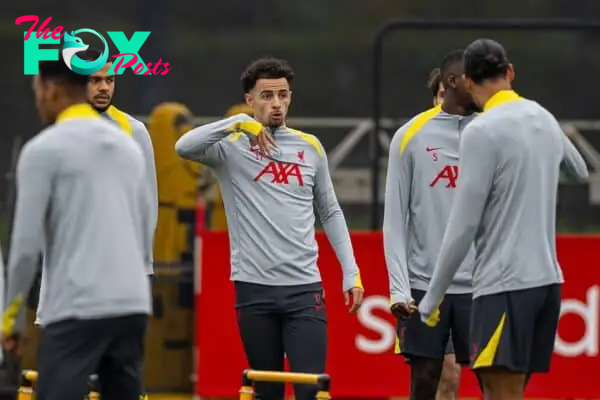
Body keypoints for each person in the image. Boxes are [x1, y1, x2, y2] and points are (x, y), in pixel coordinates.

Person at [175, 56, 364, 400]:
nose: (276, 104)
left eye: (283, 95)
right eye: (266, 96)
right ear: (250, 99)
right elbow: (183, 146)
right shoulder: (229, 149)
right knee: (268, 392)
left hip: (305, 290)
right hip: (254, 291)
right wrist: (236, 124)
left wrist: (351, 272)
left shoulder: (310, 147)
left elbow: (331, 212)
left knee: (311, 390)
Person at [418, 39, 589, 400]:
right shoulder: (541, 116)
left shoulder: (482, 130)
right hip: (547, 285)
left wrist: (431, 300)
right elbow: (579, 171)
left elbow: (463, 226)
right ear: (510, 73)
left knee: (501, 393)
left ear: (466, 81)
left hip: (504, 286)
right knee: (510, 392)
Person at [1, 56, 152, 400]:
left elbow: (25, 245)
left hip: (76, 306)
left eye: (37, 89)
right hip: (131, 305)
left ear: (52, 90)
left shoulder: (44, 150)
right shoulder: (128, 147)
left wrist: (12, 318)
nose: (37, 98)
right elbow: (142, 227)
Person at [384, 50, 479, 400]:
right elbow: (394, 219)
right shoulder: (410, 137)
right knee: (427, 380)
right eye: (477, 82)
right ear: (451, 83)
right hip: (426, 286)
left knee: (495, 382)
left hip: (482, 286)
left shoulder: (496, 131)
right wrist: (398, 288)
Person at [428, 66, 463, 400]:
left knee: (460, 375)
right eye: (441, 95)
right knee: (441, 372)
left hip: (477, 280)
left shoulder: (484, 142)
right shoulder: (415, 144)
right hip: (429, 280)